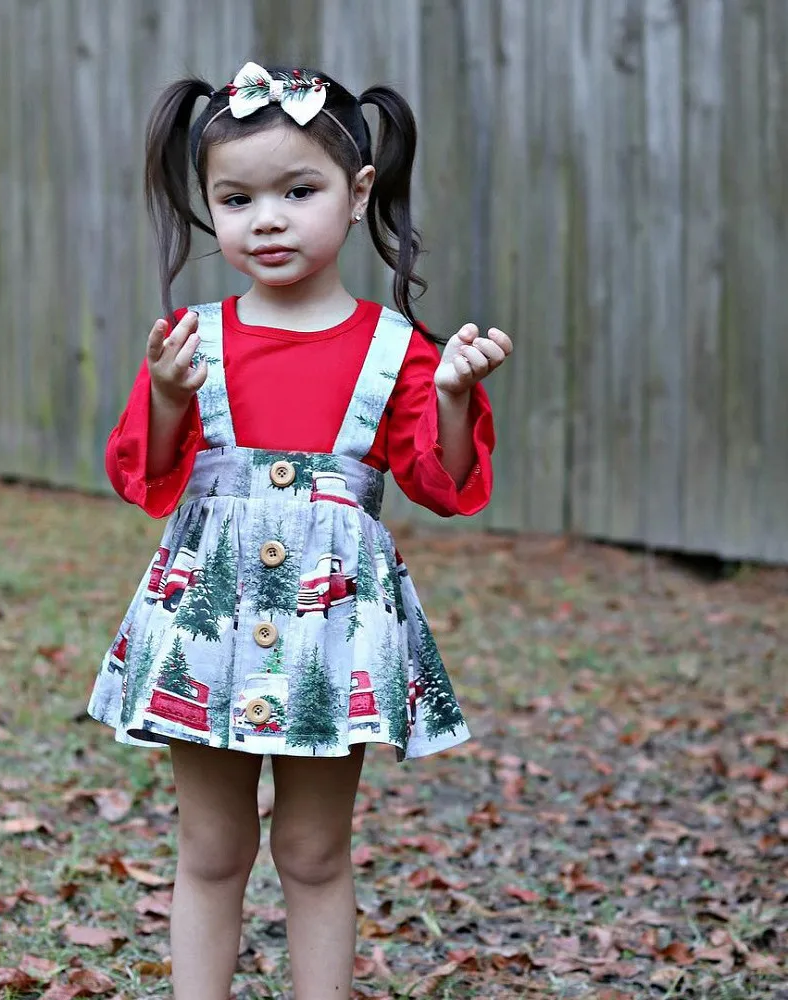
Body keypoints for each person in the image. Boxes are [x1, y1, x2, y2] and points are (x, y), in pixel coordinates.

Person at [87, 61, 513, 1000]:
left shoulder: (398, 350)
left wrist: (452, 396)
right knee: (212, 848)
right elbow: (142, 477)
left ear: (357, 195)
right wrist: (167, 397)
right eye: (237, 199)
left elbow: (442, 484)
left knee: (315, 852)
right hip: (207, 623)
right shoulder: (191, 340)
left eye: (298, 191)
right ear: (209, 207)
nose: (267, 220)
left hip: (333, 631)